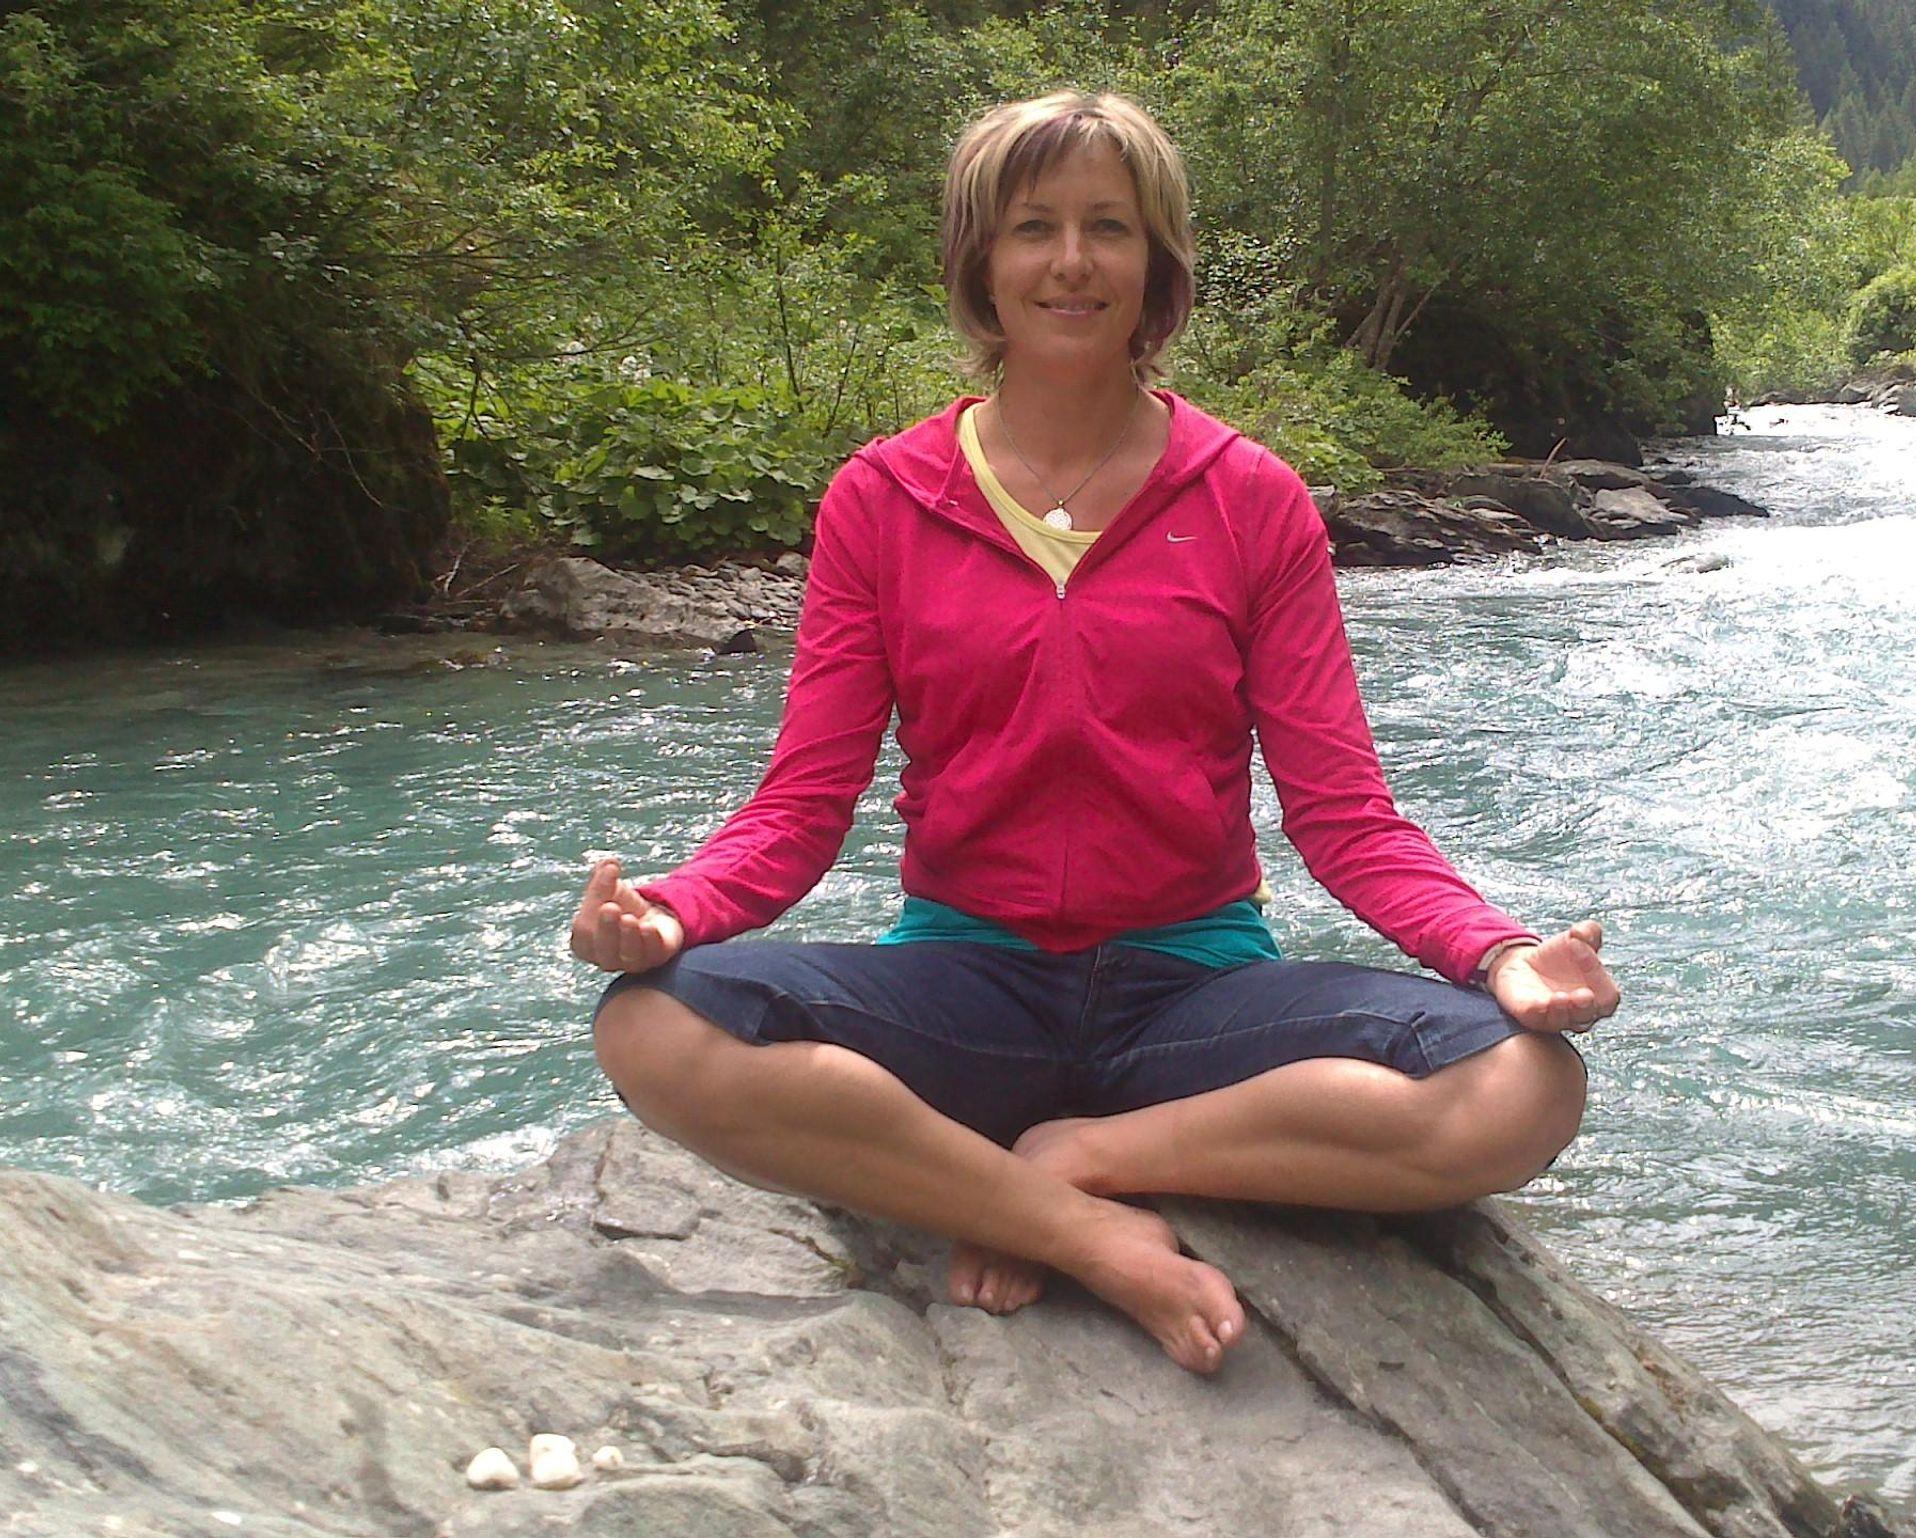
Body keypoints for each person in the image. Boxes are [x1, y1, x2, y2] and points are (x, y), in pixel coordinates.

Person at [572, 90, 1619, 1376]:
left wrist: (1498, 950)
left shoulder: (1250, 499)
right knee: (647, 1024)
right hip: (965, 988)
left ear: (1155, 264)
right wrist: (672, 912)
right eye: (1033, 228)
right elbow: (799, 809)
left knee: (1527, 1085)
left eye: (1107, 228)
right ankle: (1079, 1228)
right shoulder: (880, 499)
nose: (1070, 262)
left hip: (1195, 995)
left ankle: (1080, 1155)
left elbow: (1345, 818)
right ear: (979, 263)